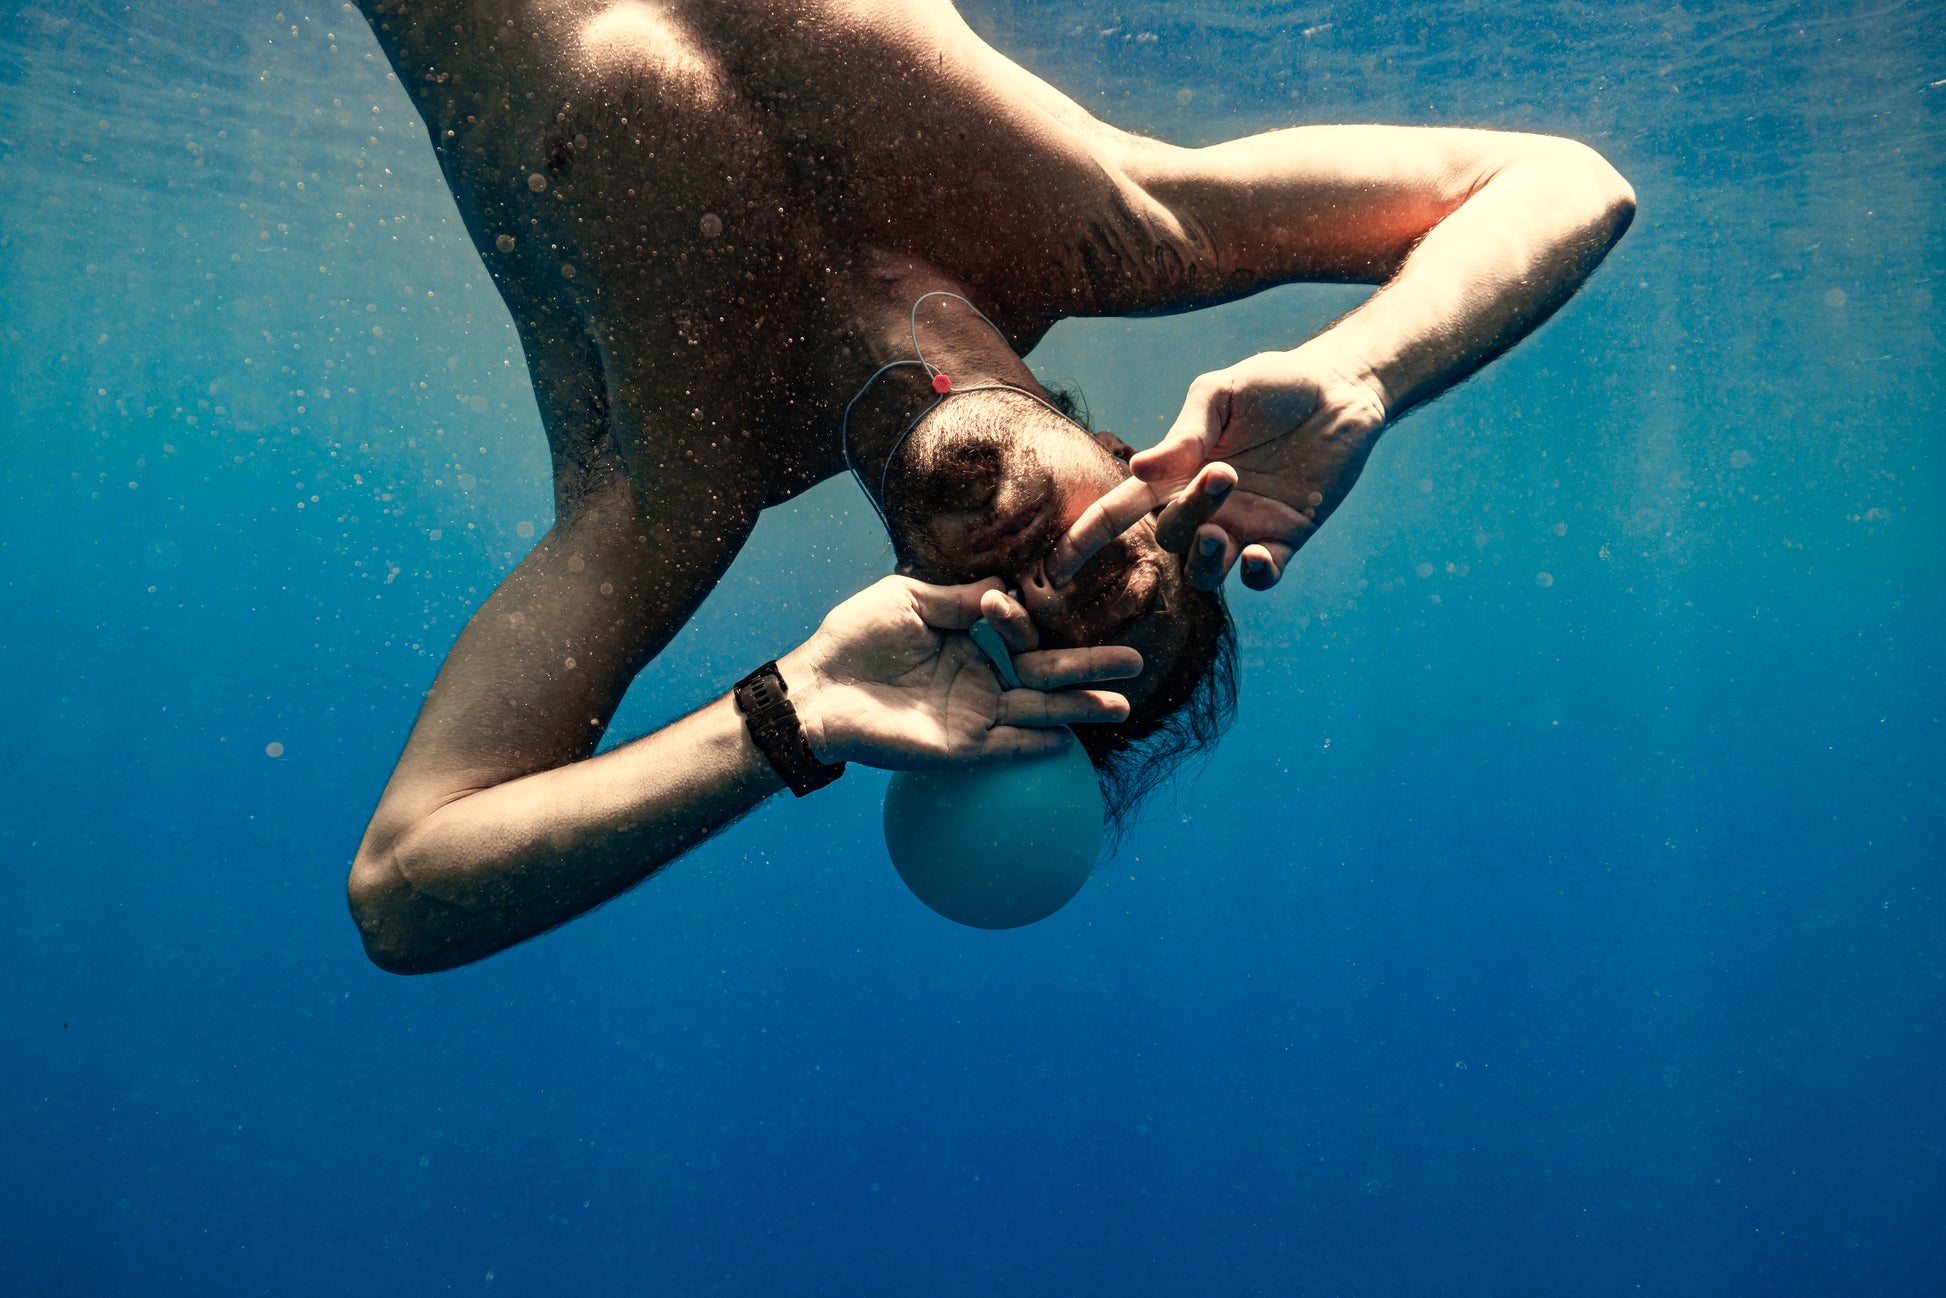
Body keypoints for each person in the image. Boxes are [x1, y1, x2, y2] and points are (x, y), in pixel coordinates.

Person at [344, 0, 1635, 973]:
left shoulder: (672, 482)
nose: (1035, 572)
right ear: (1145, 467)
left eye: (1020, 628)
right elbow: (1570, 183)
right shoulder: (1107, 219)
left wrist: (791, 714)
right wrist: (1360, 376)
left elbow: (404, 887)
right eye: (1108, 568)